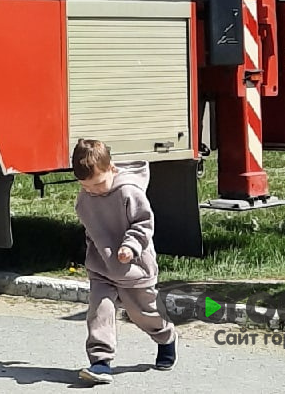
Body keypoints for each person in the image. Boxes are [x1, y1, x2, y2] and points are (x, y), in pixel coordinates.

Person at [72, 138, 176, 385]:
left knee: (144, 313)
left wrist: (130, 246)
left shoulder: (129, 191)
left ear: (112, 169)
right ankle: (100, 362)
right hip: (101, 268)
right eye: (85, 186)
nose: (93, 191)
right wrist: (94, 255)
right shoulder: (84, 199)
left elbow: (143, 223)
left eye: (97, 184)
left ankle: (166, 337)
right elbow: (91, 230)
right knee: (100, 311)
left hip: (134, 267)